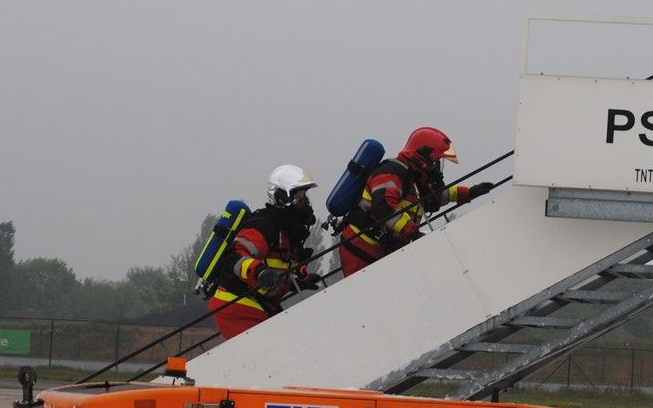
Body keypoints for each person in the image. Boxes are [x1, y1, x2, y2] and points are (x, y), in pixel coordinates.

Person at [335, 127, 494, 277]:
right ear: (423, 157)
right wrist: (413, 231)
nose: (437, 168)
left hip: (379, 249)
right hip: (361, 248)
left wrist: (469, 193)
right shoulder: (392, 171)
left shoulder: (414, 180)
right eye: (436, 161)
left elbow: (435, 197)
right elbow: (384, 206)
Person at [208, 164, 323, 340]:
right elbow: (235, 257)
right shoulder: (265, 223)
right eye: (299, 196)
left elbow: (276, 266)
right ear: (283, 197)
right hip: (237, 304)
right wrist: (260, 272)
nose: (305, 202)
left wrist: (298, 281)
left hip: (260, 304)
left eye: (304, 196)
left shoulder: (286, 230)